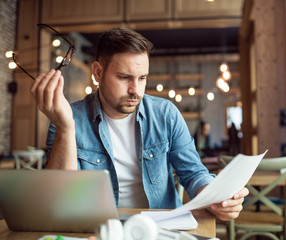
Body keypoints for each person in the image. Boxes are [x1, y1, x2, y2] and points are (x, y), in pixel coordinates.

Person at [30, 27, 248, 221]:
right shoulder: (69, 118)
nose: (136, 90)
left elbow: (193, 174)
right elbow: (62, 198)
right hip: (99, 229)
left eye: (142, 78)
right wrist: (66, 128)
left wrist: (216, 197)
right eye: (125, 78)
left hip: (161, 229)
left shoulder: (165, 114)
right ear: (98, 72)